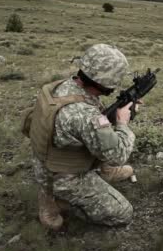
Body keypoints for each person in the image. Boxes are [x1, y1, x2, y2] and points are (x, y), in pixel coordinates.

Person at [24, 44, 137, 230]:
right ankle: (54, 202)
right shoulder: (85, 116)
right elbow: (118, 155)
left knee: (99, 139)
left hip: (45, 161)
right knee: (123, 213)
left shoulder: (61, 86)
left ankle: (104, 172)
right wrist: (123, 122)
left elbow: (91, 128)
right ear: (106, 82)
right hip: (62, 177)